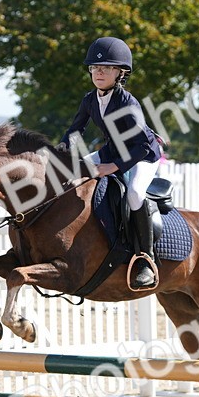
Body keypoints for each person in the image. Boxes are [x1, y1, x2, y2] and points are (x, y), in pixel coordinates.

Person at [61, 37, 163, 290]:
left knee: (135, 194)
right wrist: (58, 155)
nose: (99, 72)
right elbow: (75, 132)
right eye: (95, 68)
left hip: (144, 155)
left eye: (106, 68)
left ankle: (145, 259)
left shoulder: (128, 102)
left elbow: (141, 145)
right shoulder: (90, 100)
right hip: (112, 151)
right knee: (70, 173)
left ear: (120, 73)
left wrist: (113, 167)